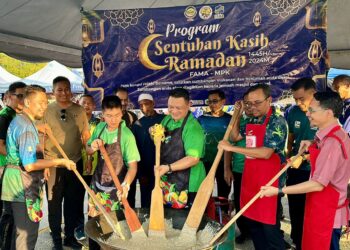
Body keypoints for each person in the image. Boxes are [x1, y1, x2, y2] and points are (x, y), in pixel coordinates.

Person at [261, 91, 350, 250]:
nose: (307, 114)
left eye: (312, 111)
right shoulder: (332, 134)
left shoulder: (332, 142)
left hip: (328, 213)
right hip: (322, 207)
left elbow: (318, 184)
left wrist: (278, 190)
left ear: (329, 113)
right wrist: (311, 142)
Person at [1, 85, 76, 250]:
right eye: (40, 102)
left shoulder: (21, 120)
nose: (44, 106)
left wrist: (45, 163)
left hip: (12, 185)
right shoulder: (26, 126)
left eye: (46, 102)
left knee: (16, 235)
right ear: (27, 102)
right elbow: (29, 164)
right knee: (26, 237)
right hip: (22, 187)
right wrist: (60, 162)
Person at [218, 84, 288, 249]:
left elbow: (266, 153)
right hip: (251, 179)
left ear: (269, 100)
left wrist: (231, 148)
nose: (253, 107)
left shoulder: (276, 121)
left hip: (270, 182)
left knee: (269, 227)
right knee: (254, 224)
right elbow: (235, 136)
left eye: (257, 102)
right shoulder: (251, 119)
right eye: (249, 103)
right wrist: (238, 113)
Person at [86, 95, 140, 250]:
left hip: (116, 191)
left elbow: (133, 166)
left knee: (111, 232)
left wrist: (127, 184)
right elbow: (88, 150)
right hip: (97, 187)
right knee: (93, 226)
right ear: (102, 114)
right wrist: (93, 146)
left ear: (122, 113)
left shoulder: (127, 136)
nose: (113, 119)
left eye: (116, 115)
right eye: (109, 116)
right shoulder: (100, 129)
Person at [44, 76, 90, 249]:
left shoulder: (80, 110)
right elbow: (41, 137)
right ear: (53, 91)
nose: (64, 93)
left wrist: (88, 158)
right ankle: (56, 240)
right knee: (54, 204)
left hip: (74, 162)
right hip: (53, 165)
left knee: (73, 203)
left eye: (67, 89)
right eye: (60, 90)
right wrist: (45, 164)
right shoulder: (47, 110)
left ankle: (69, 237)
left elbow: (85, 137)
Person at [155, 88, 206, 209]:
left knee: (185, 222)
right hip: (168, 180)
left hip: (188, 183)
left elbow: (193, 158)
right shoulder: (167, 120)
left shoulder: (193, 128)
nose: (174, 111)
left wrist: (168, 168)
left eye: (178, 108)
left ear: (189, 105)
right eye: (171, 107)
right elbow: (159, 139)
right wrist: (154, 133)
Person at [284, 78, 317, 250]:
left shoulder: (324, 112)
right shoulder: (293, 112)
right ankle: (297, 240)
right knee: (295, 209)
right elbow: (290, 140)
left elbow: (327, 146)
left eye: (301, 99)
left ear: (314, 93)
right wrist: (288, 158)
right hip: (296, 169)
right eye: (295, 99)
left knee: (311, 211)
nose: (298, 103)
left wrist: (305, 158)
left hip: (315, 173)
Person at [224, 92, 253, 244]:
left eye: (252, 103)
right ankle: (244, 231)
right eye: (246, 103)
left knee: (256, 203)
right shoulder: (238, 121)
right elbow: (230, 143)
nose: (249, 107)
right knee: (240, 202)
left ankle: (258, 232)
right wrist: (226, 168)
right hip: (239, 169)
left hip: (256, 170)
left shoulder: (262, 121)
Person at [0, 81, 26, 249]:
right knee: (8, 214)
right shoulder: (5, 116)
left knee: (13, 214)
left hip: (13, 170)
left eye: (26, 96)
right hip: (6, 170)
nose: (23, 99)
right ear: (9, 96)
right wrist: (18, 159)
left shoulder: (16, 115)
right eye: (20, 96)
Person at [74, 94, 100, 241]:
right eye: (84, 103)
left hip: (96, 168)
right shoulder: (75, 123)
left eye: (89, 103)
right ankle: (79, 228)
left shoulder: (99, 123)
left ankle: (93, 227)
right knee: (77, 198)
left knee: (94, 200)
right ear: (79, 104)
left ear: (94, 106)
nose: (86, 106)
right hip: (78, 166)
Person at [132, 93, 165, 208]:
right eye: (141, 105)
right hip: (145, 169)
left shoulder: (164, 120)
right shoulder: (137, 124)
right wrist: (140, 172)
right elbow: (135, 149)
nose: (143, 107)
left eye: (146, 103)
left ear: (153, 104)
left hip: (163, 167)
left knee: (163, 198)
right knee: (146, 199)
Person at [197, 90, 231, 201]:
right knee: (204, 195)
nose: (212, 105)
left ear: (223, 101)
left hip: (224, 163)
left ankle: (224, 217)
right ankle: (207, 217)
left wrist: (227, 168)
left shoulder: (230, 120)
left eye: (215, 101)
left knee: (224, 194)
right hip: (205, 163)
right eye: (209, 102)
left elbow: (232, 143)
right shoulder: (202, 119)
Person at [114, 87, 138, 208]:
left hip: (130, 163)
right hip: (113, 166)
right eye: (120, 100)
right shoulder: (105, 119)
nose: (123, 103)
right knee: (114, 198)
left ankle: (128, 223)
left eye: (125, 100)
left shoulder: (132, 116)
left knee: (129, 196)